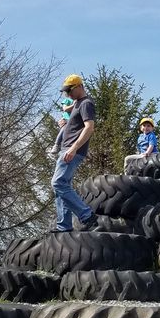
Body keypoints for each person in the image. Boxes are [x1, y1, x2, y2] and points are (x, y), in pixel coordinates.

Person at [52, 73, 97, 231]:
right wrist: (64, 123)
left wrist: (73, 148)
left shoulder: (86, 103)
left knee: (58, 183)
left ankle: (86, 215)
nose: (68, 94)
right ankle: (64, 225)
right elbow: (74, 121)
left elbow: (89, 127)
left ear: (79, 86)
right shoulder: (77, 103)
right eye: (65, 92)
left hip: (72, 150)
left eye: (70, 90)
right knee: (61, 187)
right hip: (67, 148)